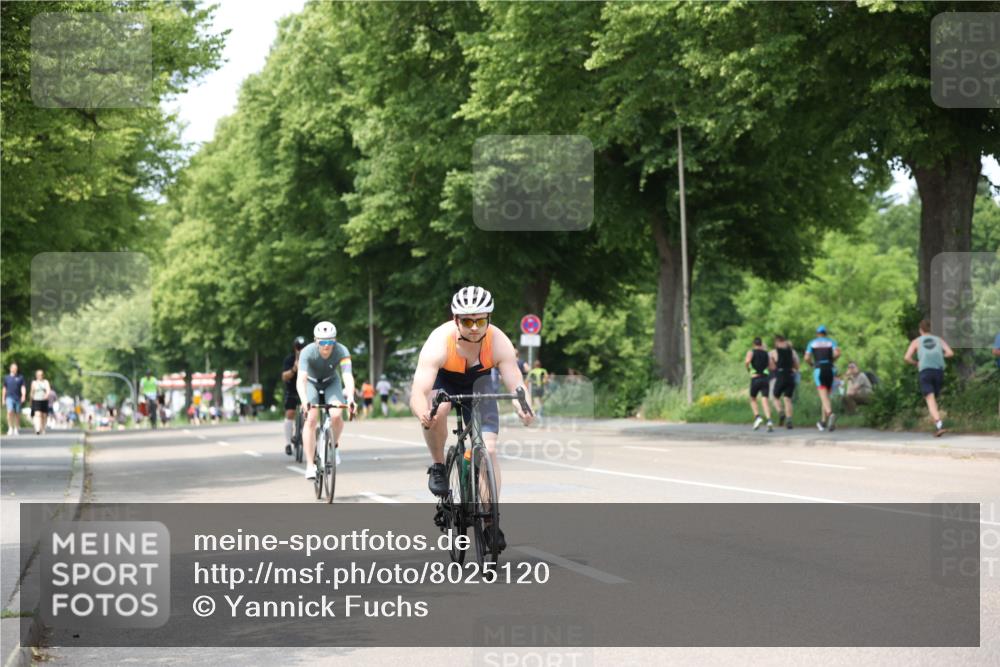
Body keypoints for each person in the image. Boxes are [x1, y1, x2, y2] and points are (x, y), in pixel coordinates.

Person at [410, 286, 534, 553]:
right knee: (438, 410)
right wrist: (424, 412)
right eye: (468, 321)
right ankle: (439, 466)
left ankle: (490, 521)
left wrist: (523, 406)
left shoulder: (498, 341)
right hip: (444, 382)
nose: (475, 328)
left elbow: (516, 384)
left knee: (488, 449)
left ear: (488, 319)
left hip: (480, 384)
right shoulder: (438, 342)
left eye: (480, 321)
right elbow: (418, 391)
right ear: (456, 320)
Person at [297, 321, 356, 480]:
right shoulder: (307, 352)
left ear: (335, 341)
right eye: (322, 342)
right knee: (311, 419)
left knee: (337, 414)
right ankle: (310, 465)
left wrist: (350, 397)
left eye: (330, 341)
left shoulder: (342, 350)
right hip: (311, 383)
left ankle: (333, 446)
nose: (326, 346)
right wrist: (304, 400)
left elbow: (347, 375)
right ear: (316, 340)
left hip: (331, 382)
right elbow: (301, 379)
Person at [904, 320, 955, 437]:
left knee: (930, 401)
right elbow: (950, 353)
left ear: (920, 330)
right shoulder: (938, 340)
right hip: (938, 372)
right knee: (934, 398)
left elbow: (906, 357)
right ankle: (938, 421)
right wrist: (940, 356)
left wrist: (915, 362)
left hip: (925, 371)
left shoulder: (916, 341)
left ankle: (939, 425)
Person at [805, 325, 841, 432]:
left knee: (823, 395)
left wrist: (812, 364)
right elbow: (838, 353)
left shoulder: (812, 342)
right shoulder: (831, 342)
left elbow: (806, 357)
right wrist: (832, 360)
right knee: (826, 397)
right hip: (830, 369)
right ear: (826, 333)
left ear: (817, 333)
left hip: (819, 369)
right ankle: (823, 421)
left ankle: (830, 414)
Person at [281, 336, 307, 455]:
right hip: (292, 390)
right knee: (290, 413)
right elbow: (284, 376)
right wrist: (294, 369)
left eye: (302, 348)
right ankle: (288, 443)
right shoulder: (289, 359)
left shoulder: (309, 359)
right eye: (298, 348)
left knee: (308, 413)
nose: (300, 350)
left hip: (306, 390)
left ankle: (305, 435)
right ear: (295, 348)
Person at [769, 336, 799, 429]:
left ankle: (781, 412)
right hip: (790, 376)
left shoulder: (773, 352)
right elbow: (797, 365)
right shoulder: (792, 352)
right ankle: (789, 420)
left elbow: (772, 367)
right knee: (787, 399)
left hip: (780, 376)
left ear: (776, 343)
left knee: (775, 396)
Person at [744, 337, 774, 432]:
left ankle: (757, 417)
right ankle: (769, 420)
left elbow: (747, 362)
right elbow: (771, 366)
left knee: (753, 398)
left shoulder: (751, 352)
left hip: (755, 378)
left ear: (754, 344)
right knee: (765, 399)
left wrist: (748, 369)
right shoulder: (767, 353)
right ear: (761, 344)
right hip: (765, 378)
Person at [3, 363, 26, 436]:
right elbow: (4, 388)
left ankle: (16, 428)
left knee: (17, 414)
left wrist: (23, 395)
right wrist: (3, 398)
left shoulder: (20, 377)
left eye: (16, 368)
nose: (15, 369)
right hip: (9, 397)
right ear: (10, 369)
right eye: (14, 368)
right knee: (10, 412)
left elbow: (23, 387)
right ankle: (10, 428)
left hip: (17, 398)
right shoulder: (7, 377)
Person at [29, 370, 51, 435]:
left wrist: (47, 395)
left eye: (41, 375)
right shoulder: (34, 382)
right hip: (36, 400)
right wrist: (31, 400)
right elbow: (32, 392)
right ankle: (37, 429)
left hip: (44, 400)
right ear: (36, 376)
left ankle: (43, 428)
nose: (40, 376)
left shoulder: (46, 382)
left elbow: (48, 390)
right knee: (37, 414)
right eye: (38, 375)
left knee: (44, 415)